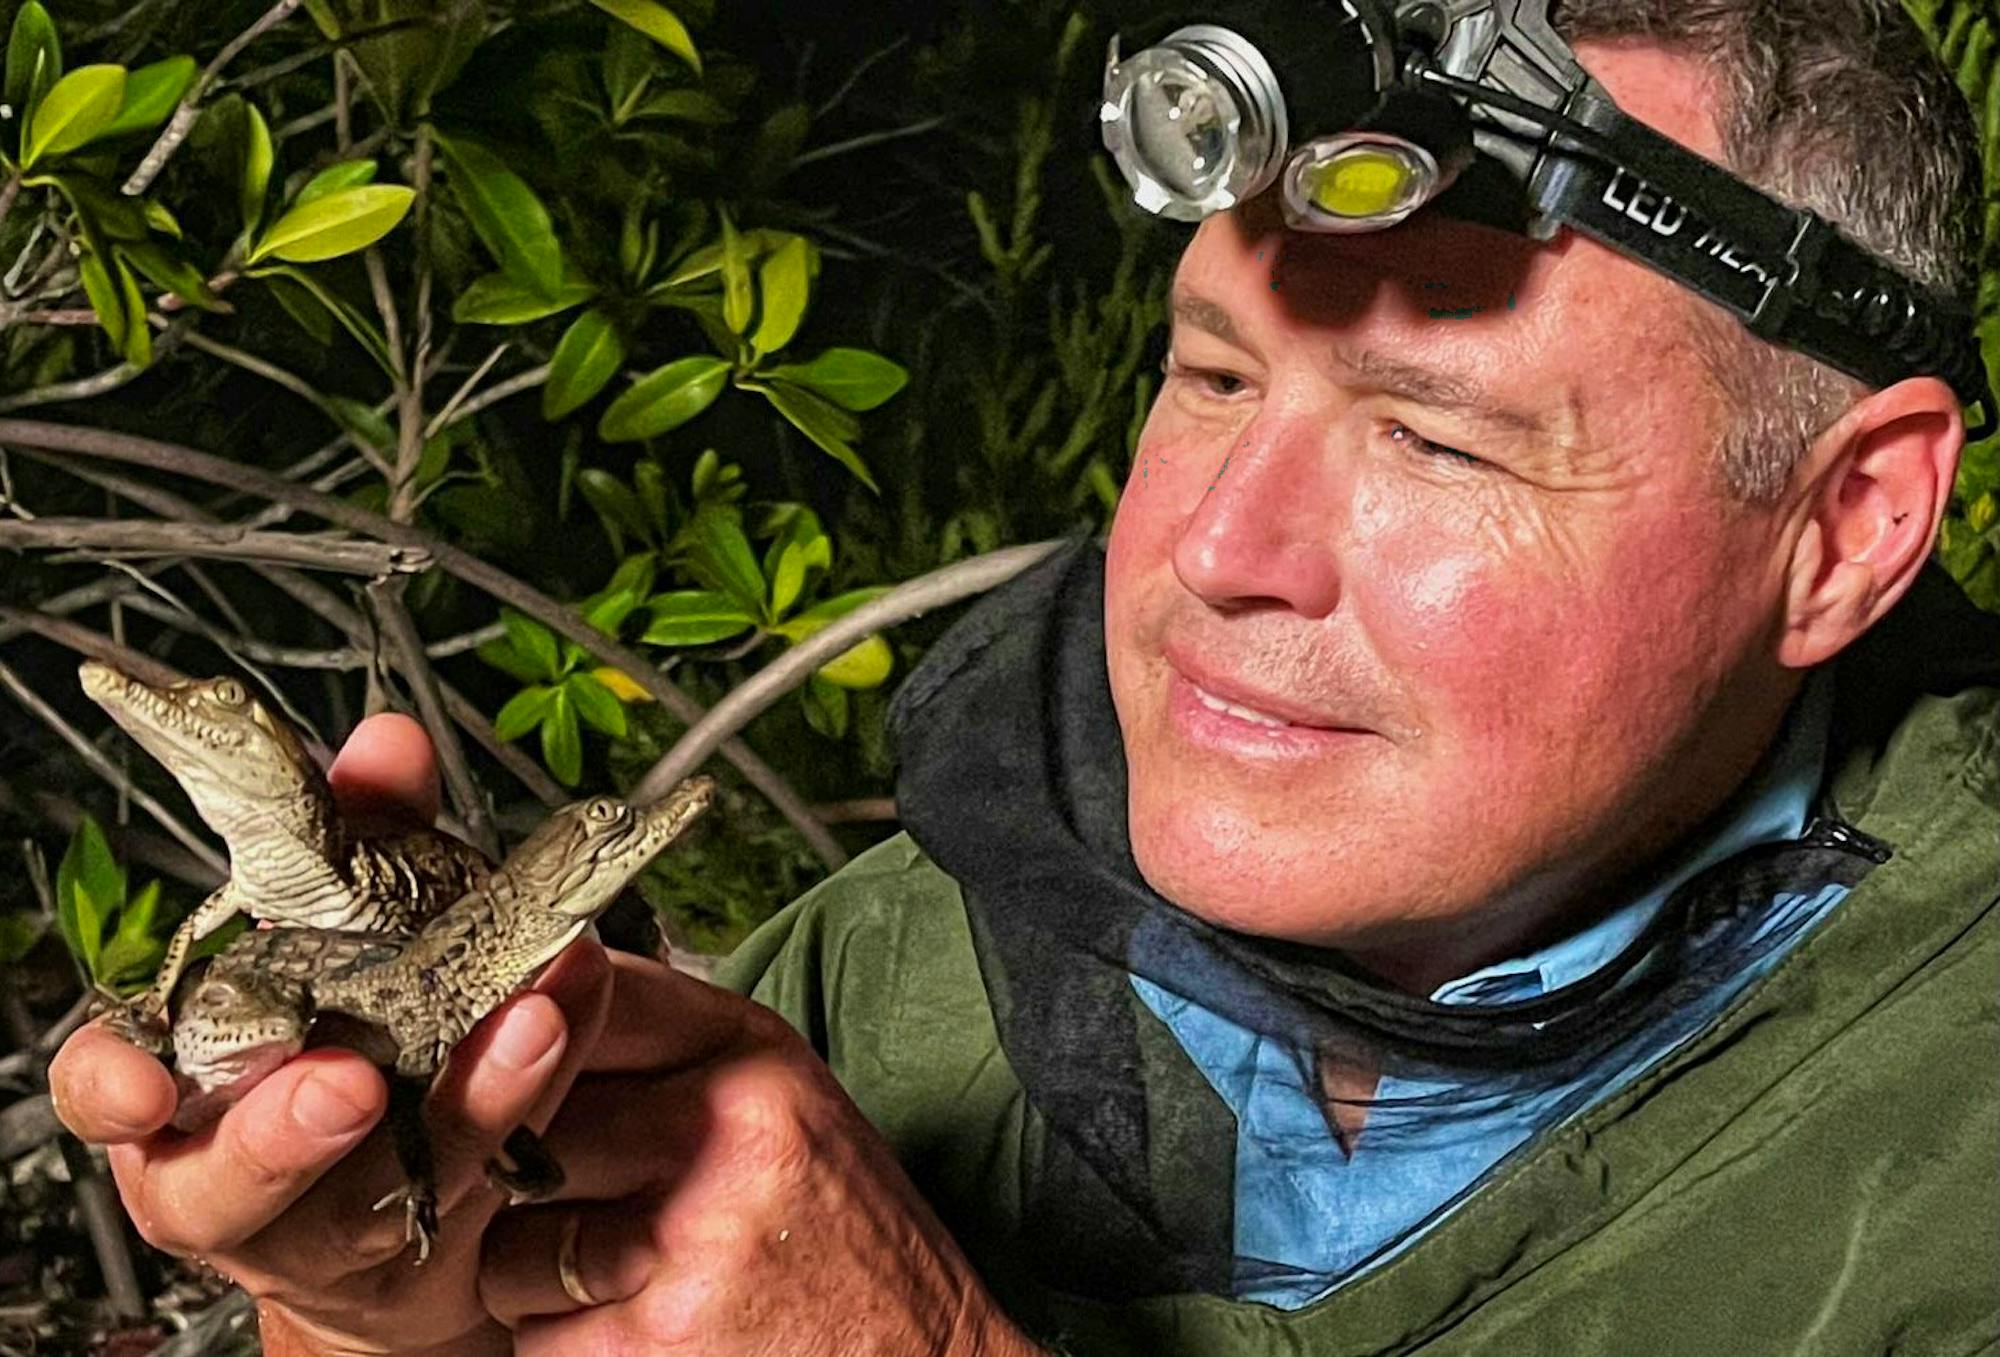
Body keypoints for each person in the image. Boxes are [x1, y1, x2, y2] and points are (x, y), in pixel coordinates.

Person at [49, 1, 2000, 1352]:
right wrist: (381, 1312)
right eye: (1211, 376)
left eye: (1438, 441)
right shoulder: (898, 961)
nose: (1218, 552)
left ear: (1839, 530)